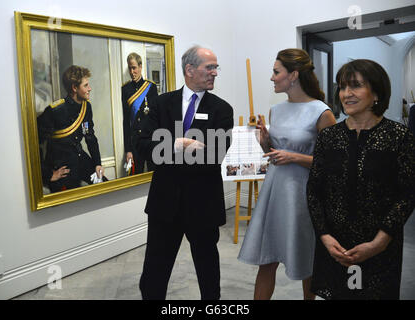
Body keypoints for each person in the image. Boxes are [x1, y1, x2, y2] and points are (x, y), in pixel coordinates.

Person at [307, 59, 415, 300]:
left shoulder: (398, 137)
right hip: (335, 245)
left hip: (378, 246)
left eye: (355, 86)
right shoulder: (329, 137)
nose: (347, 94)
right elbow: (314, 190)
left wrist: (379, 242)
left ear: (376, 92)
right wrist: (324, 236)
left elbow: (407, 194)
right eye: (343, 87)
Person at [238, 48, 336, 300]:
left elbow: (334, 164)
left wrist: (294, 157)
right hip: (275, 192)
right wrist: (265, 142)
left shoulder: (322, 112)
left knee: (306, 259)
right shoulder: (276, 111)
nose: (271, 78)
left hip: (304, 195)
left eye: (275, 72)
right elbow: (275, 154)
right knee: (267, 259)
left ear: (293, 75)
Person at [138, 46, 233, 300]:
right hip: (164, 203)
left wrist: (167, 150)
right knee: (154, 273)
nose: (215, 73)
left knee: (208, 274)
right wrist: (176, 145)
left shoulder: (222, 109)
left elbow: (215, 154)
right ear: (189, 70)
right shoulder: (160, 103)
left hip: (203, 204)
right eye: (209, 67)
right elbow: (143, 145)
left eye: (216, 67)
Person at [38, 65, 105, 193]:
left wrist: (97, 163)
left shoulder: (86, 107)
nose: (89, 88)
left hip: (80, 159)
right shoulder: (55, 111)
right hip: (62, 167)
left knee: (105, 187)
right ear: (74, 88)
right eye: (85, 86)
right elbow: (34, 144)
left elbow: (90, 137)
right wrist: (47, 174)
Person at [122, 52, 158, 175]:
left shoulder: (151, 87)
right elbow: (126, 121)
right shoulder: (125, 89)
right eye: (130, 68)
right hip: (135, 143)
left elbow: (156, 117)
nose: (132, 72)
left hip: (151, 140)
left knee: (155, 176)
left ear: (140, 66)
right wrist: (128, 150)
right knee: (136, 177)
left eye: (134, 68)